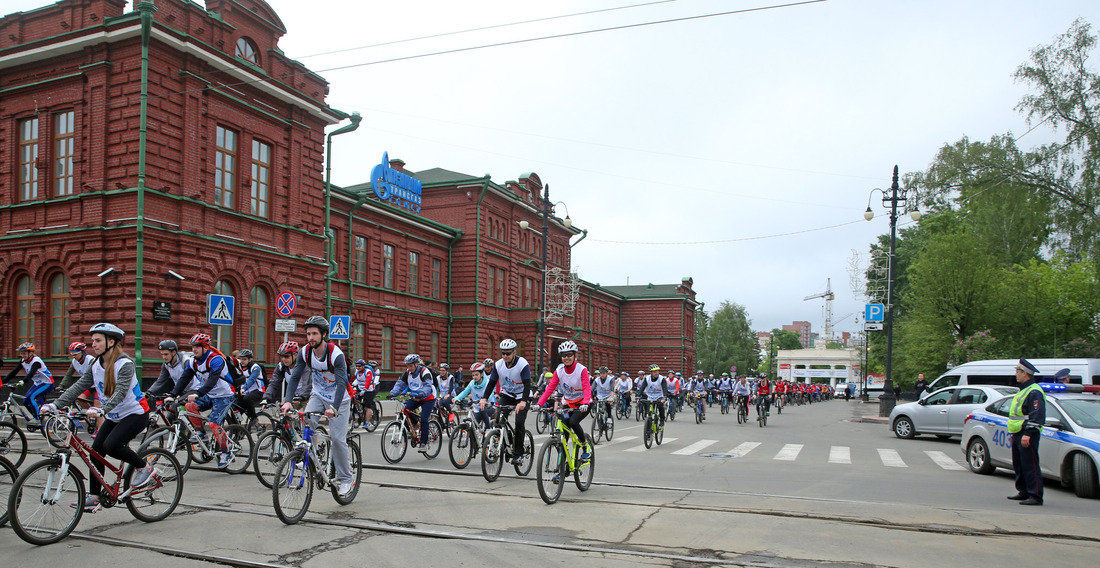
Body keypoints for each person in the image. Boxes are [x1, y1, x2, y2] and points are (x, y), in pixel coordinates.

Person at [42, 323, 153, 512]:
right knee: (96, 451)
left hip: (136, 413)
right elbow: (79, 386)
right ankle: (94, 497)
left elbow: (120, 393)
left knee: (111, 446)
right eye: (92, 340)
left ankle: (145, 467)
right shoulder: (95, 364)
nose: (93, 344)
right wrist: (55, 404)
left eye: (98, 340)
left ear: (111, 342)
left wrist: (101, 409)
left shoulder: (124, 364)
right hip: (114, 414)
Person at [281, 316, 355, 497]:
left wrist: (334, 408)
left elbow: (340, 384)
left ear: (323, 335)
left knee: (337, 439)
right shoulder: (305, 352)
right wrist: (288, 400)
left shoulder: (335, 354)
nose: (311, 337)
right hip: (318, 395)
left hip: (340, 399)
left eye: (314, 333)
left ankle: (346, 478)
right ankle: (310, 458)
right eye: (308, 334)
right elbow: (295, 377)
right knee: (305, 420)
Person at [168, 333, 238, 468]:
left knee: (213, 424)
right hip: (209, 394)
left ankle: (226, 452)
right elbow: (184, 378)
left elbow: (212, 381)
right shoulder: (193, 361)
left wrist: (198, 393)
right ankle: (201, 434)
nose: (194, 350)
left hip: (224, 395)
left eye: (198, 347)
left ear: (206, 347)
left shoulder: (216, 360)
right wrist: (173, 394)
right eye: (193, 347)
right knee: (189, 406)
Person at [533, 341, 592, 461]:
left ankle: (585, 446)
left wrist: (586, 403)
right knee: (563, 437)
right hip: (568, 403)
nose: (566, 358)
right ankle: (562, 468)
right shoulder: (559, 371)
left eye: (569, 355)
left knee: (573, 422)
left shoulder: (582, 370)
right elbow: (550, 389)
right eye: (564, 355)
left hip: (583, 404)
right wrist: (539, 404)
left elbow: (586, 387)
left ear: (575, 355)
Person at [480, 338, 532, 465]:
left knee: (519, 423)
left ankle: (518, 454)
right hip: (507, 394)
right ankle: (505, 439)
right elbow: (492, 383)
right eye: (503, 353)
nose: (505, 356)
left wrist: (523, 402)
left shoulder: (522, 364)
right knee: (498, 420)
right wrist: (484, 398)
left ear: (514, 352)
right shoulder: (498, 365)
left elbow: (527, 384)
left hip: (522, 396)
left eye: (508, 353)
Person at [1008, 358, 1046, 506]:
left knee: (1030, 465)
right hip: (1018, 431)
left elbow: (1037, 414)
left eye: (1018, 372)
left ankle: (1035, 495)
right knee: (1019, 464)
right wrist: (1014, 433)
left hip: (1027, 432)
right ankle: (1023, 491)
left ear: (1025, 374)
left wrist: (1028, 433)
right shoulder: (1024, 390)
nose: (1016, 374)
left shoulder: (1034, 391)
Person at [390, 353, 437, 452]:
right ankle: (415, 424)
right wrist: (393, 393)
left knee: (424, 418)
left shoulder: (425, 372)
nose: (409, 368)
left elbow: (428, 385)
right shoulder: (407, 373)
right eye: (407, 366)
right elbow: (400, 384)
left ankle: (423, 443)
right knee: (405, 411)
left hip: (428, 397)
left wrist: (422, 393)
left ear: (416, 364)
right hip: (415, 397)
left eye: (410, 366)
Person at [3, 342, 55, 423]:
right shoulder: (23, 361)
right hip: (37, 384)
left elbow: (31, 374)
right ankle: (36, 417)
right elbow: (14, 372)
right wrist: (2, 382)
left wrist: (23, 381)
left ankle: (37, 419)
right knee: (25, 401)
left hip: (47, 383)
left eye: (24, 353)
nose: (22, 355)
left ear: (31, 353)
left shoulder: (36, 361)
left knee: (31, 397)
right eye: (21, 353)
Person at [453, 362, 495, 429]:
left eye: (476, 375)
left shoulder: (487, 382)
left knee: (482, 411)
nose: (474, 377)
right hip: (477, 408)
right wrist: (456, 398)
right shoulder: (472, 383)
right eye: (473, 375)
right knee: (472, 428)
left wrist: (485, 400)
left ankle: (488, 429)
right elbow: (465, 392)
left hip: (489, 406)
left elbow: (491, 393)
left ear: (481, 374)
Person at [236, 349, 265, 425]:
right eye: (241, 359)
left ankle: (254, 417)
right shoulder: (239, 367)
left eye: (244, 359)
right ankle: (237, 430)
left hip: (258, 391)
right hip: (245, 392)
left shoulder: (255, 367)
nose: (242, 361)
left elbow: (251, 380)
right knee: (235, 408)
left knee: (247, 398)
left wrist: (243, 388)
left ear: (250, 359)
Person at [641, 364, 671, 429]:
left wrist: (664, 397)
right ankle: (648, 430)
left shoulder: (661, 379)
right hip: (650, 397)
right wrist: (638, 396)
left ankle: (662, 419)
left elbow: (665, 388)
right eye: (654, 372)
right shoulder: (647, 378)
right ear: (651, 372)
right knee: (649, 413)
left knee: (660, 406)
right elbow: (642, 387)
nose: (656, 373)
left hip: (659, 396)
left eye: (657, 371)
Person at [352, 359, 378, 427]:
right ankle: (359, 409)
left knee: (367, 406)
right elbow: (352, 378)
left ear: (363, 366)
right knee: (354, 398)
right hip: (360, 388)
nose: (357, 367)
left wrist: (364, 390)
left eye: (359, 366)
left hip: (369, 390)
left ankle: (367, 422)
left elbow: (368, 381)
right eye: (356, 366)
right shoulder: (357, 372)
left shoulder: (368, 372)